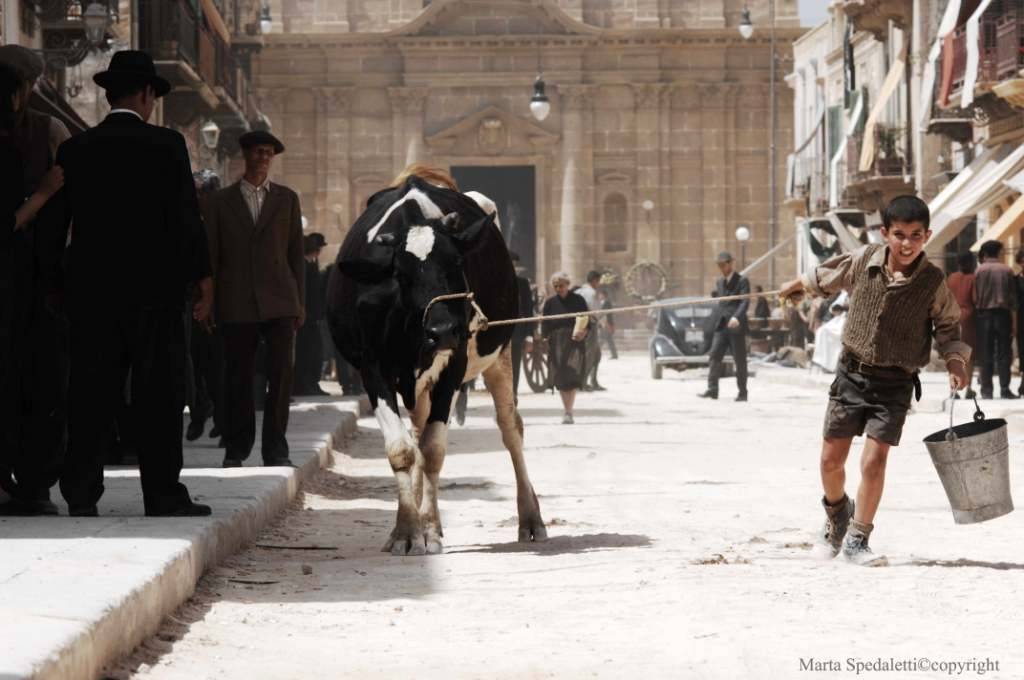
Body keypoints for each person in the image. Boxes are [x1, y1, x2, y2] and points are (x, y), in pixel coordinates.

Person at [46, 50, 214, 517]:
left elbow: (57, 226)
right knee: (159, 393)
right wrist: (203, 279)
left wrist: (56, 287)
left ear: (107, 93)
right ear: (145, 94)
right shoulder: (167, 147)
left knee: (89, 391)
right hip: (155, 293)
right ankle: (161, 493)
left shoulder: (76, 149)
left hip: (91, 294)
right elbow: (187, 220)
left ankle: (81, 491)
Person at [779, 195, 969, 566]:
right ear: (885, 233)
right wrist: (799, 285)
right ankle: (838, 516)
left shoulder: (932, 282)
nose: (907, 243)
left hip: (895, 383)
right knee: (830, 461)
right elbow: (827, 277)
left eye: (916, 235)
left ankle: (858, 538)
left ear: (927, 235)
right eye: (899, 234)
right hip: (851, 375)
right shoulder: (865, 259)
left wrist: (955, 360)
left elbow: (948, 325)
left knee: (873, 462)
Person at [203, 129, 305, 468]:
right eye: (257, 152)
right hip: (236, 301)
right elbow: (212, 256)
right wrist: (210, 301)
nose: (263, 157)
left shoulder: (287, 199)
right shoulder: (220, 201)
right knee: (238, 378)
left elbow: (295, 255)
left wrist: (299, 303)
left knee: (281, 377)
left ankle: (276, 449)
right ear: (245, 155)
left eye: (268, 153)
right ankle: (237, 447)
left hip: (280, 301)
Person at [0, 63, 66, 515]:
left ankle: (34, 482)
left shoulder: (50, 129)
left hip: (39, 281)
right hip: (21, 280)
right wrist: (41, 196)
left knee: (36, 381)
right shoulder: (47, 130)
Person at [185, 170, 226, 441]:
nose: (197, 197)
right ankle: (199, 412)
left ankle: (223, 421)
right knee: (194, 364)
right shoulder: (185, 221)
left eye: (202, 192)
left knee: (218, 368)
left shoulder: (223, 224)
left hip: (219, 306)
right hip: (190, 303)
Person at [699, 252, 750, 402]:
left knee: (739, 360)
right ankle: (712, 389)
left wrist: (737, 317)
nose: (721, 268)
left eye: (724, 264)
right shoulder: (720, 282)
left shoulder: (742, 281)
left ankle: (742, 392)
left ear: (731, 263)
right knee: (714, 356)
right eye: (719, 265)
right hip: (721, 326)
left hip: (735, 325)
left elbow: (744, 302)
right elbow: (721, 302)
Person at [542, 273, 589, 424]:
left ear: (567, 284)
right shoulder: (550, 303)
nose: (558, 289)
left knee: (572, 375)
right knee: (560, 377)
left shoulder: (578, 300)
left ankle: (569, 410)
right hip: (556, 343)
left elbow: (586, 320)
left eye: (561, 285)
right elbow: (545, 324)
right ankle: (567, 411)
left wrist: (583, 332)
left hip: (574, 341)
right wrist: (544, 339)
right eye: (555, 286)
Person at [974, 240, 1017, 400]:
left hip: (984, 314)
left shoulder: (979, 270)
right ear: (998, 252)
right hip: (1003, 314)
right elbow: (1012, 298)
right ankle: (1005, 389)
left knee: (985, 353)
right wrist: (1013, 321)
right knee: (1004, 353)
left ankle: (987, 390)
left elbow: (975, 295)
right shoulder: (1007, 270)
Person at [294, 232, 328, 397]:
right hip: (305, 317)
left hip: (313, 316)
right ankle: (303, 384)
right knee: (305, 352)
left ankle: (312, 383)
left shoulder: (312, 264)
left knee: (315, 352)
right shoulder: (303, 266)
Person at [947, 252, 978, 399]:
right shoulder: (973, 278)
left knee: (954, 354)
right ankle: (968, 388)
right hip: (968, 319)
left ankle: (954, 388)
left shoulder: (951, 278)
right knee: (968, 356)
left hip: (952, 318)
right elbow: (975, 298)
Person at [509, 252, 534, 398]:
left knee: (514, 368)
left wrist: (529, 335)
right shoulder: (493, 283)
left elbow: (528, 310)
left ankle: (512, 398)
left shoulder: (522, 284)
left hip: (516, 334)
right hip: (496, 336)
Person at [576, 270, 605, 391]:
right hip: (590, 326)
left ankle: (593, 381)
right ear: (594, 280)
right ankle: (583, 382)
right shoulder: (592, 293)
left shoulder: (578, 291)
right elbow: (595, 312)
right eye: (598, 281)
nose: (599, 284)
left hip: (578, 325)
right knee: (590, 355)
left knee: (595, 354)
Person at [598, 287, 618, 360]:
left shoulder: (607, 302)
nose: (599, 296)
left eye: (600, 295)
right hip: (604, 323)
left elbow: (607, 314)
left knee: (602, 339)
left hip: (606, 323)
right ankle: (614, 354)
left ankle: (596, 353)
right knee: (608, 339)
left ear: (603, 295)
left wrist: (609, 325)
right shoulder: (603, 302)